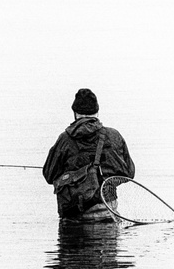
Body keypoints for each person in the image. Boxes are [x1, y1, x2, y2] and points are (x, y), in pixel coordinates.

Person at [42, 89, 136, 220]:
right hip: (109, 212)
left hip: (75, 215)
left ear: (75, 113)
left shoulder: (65, 139)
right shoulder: (114, 135)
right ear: (97, 112)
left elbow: (49, 175)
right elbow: (129, 173)